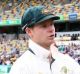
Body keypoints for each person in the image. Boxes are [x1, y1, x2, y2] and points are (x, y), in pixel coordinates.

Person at [9, 5, 80, 74]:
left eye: (52, 24)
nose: (51, 29)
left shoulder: (67, 61)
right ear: (29, 31)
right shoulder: (21, 68)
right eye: (44, 26)